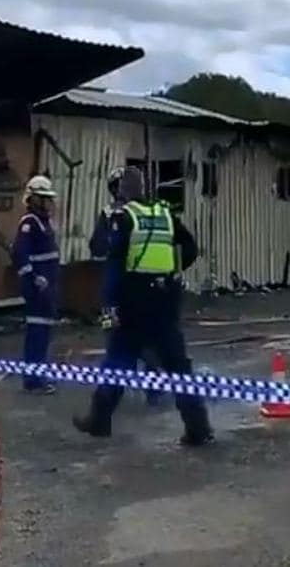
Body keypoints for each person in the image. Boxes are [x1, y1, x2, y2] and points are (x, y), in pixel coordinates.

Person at [73, 166, 214, 447]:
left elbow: (113, 266)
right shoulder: (164, 214)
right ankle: (198, 427)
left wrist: (109, 308)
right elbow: (190, 248)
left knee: (118, 361)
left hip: (132, 302)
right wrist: (172, 270)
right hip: (165, 300)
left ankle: (99, 420)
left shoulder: (125, 219)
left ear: (123, 191)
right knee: (178, 366)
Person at [88, 167, 164, 407]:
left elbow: (96, 247)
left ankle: (115, 392)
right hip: (142, 290)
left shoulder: (110, 214)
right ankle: (153, 390)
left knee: (115, 339)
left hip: (115, 292)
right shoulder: (149, 212)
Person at [12, 175, 60, 394]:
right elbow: (20, 254)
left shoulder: (44, 222)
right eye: (44, 199)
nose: (49, 203)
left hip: (47, 286)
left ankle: (38, 375)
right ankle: (33, 380)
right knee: (37, 334)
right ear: (34, 199)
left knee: (43, 334)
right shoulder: (29, 223)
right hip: (38, 287)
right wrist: (33, 278)